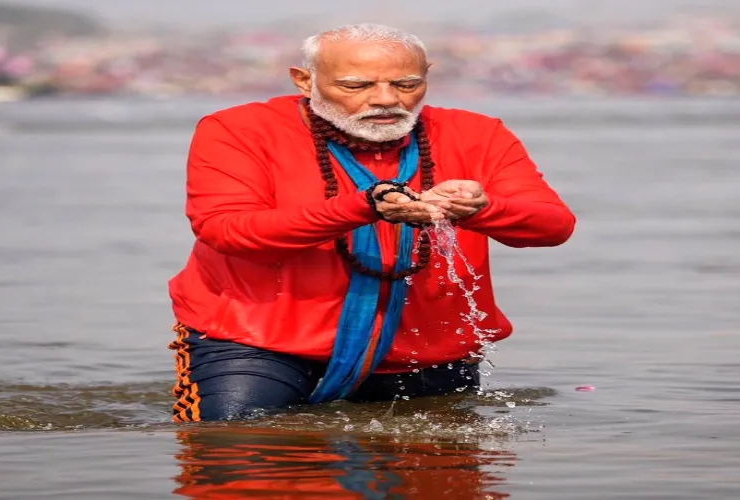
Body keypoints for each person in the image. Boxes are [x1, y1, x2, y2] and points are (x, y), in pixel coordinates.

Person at [167, 23, 576, 422]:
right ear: (304, 80)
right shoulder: (237, 129)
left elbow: (553, 226)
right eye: (356, 86)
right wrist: (364, 206)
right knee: (231, 449)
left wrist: (482, 209)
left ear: (427, 77)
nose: (386, 100)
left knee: (440, 478)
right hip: (255, 343)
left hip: (426, 347)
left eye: (406, 84)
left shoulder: (478, 133)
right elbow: (230, 231)